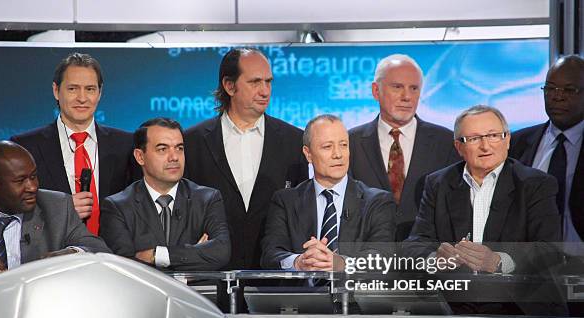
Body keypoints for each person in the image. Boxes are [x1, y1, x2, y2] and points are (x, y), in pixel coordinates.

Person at [184, 48, 308, 271]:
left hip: (274, 280)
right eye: (255, 82)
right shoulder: (192, 142)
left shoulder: (295, 141)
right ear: (229, 86)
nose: (265, 91)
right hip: (212, 279)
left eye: (269, 82)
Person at [404, 105, 561, 275]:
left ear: (507, 140)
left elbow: (548, 248)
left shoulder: (535, 184)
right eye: (474, 139)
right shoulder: (438, 183)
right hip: (455, 295)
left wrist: (499, 261)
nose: (485, 146)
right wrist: (435, 259)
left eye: (493, 136)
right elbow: (415, 244)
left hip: (512, 297)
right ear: (459, 147)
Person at [11, 52, 139, 235]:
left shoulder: (126, 144)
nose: (82, 98)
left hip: (113, 256)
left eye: (90, 89)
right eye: (72, 89)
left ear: (100, 93)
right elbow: (12, 207)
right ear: (56, 90)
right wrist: (60, 211)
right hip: (52, 256)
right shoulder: (25, 147)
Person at [261, 114, 395, 271]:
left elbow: (382, 256)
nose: (338, 154)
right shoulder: (286, 201)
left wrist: (340, 263)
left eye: (343, 145)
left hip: (355, 294)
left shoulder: (377, 202)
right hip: (303, 294)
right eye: (327, 147)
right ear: (308, 154)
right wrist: (299, 261)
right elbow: (270, 255)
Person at [349, 54, 459, 241]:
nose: (406, 97)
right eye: (397, 87)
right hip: (367, 258)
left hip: (427, 259)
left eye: (414, 88)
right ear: (376, 91)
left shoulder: (447, 142)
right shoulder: (350, 142)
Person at [100, 118, 230, 271]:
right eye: (163, 149)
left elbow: (221, 252)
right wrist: (195, 254)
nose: (174, 157)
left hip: (197, 294)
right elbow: (125, 267)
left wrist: (157, 255)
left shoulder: (207, 199)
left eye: (179, 148)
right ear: (140, 156)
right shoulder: (118, 207)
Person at [0, 141, 110, 273]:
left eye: (33, 177)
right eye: (20, 181)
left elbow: (99, 249)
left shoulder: (58, 206)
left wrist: (72, 253)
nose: (32, 187)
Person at [510, 54, 584, 242]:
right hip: (528, 261)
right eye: (550, 89)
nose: (558, 97)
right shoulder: (516, 143)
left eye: (570, 90)